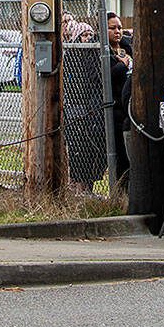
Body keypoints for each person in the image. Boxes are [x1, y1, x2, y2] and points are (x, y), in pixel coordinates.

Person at [62, 21, 108, 192]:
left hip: (92, 107)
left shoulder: (94, 55)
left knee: (93, 147)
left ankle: (88, 185)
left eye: (90, 35)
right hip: (76, 107)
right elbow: (70, 82)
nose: (88, 38)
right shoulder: (71, 55)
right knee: (77, 147)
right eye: (84, 35)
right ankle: (77, 184)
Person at [106, 12, 133, 185]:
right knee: (119, 155)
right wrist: (122, 65)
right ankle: (119, 188)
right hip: (114, 107)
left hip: (129, 107)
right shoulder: (103, 52)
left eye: (120, 27)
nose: (117, 31)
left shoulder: (126, 48)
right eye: (113, 28)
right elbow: (105, 77)